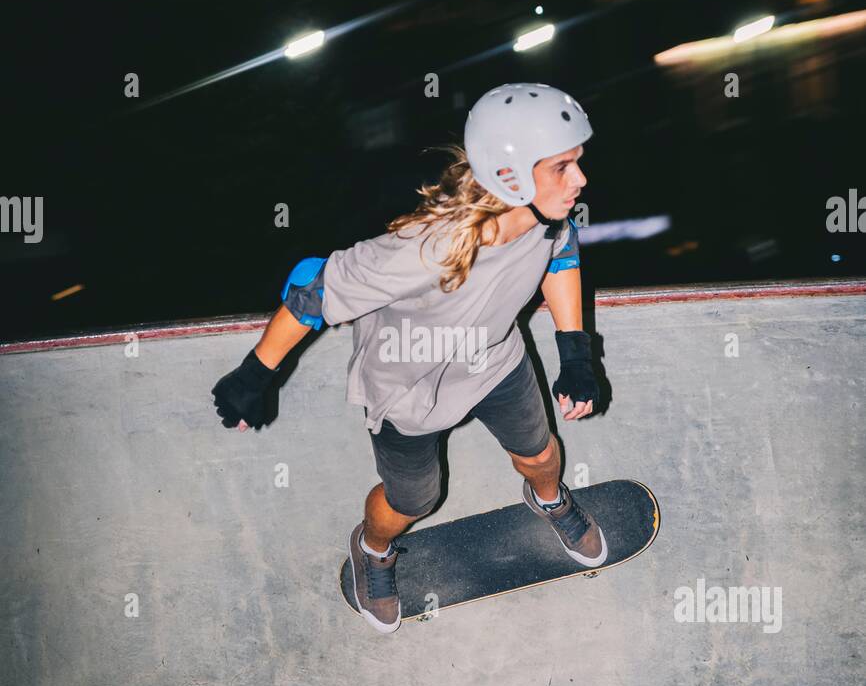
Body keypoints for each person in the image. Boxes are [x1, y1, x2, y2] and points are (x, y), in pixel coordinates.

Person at [212, 82, 608, 633]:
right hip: (409, 388)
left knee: (542, 456)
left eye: (578, 163)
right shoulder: (430, 249)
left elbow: (561, 251)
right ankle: (373, 550)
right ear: (511, 175)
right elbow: (313, 284)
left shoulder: (546, 215)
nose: (580, 179)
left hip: (494, 362)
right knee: (414, 500)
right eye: (563, 167)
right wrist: (257, 373)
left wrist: (575, 352)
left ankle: (549, 500)